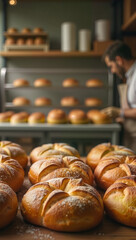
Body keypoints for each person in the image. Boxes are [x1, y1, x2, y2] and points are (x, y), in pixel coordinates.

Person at [102, 40, 136, 152]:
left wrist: (120, 112)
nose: (112, 71)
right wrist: (122, 118)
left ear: (119, 60)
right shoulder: (130, 76)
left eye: (111, 66)